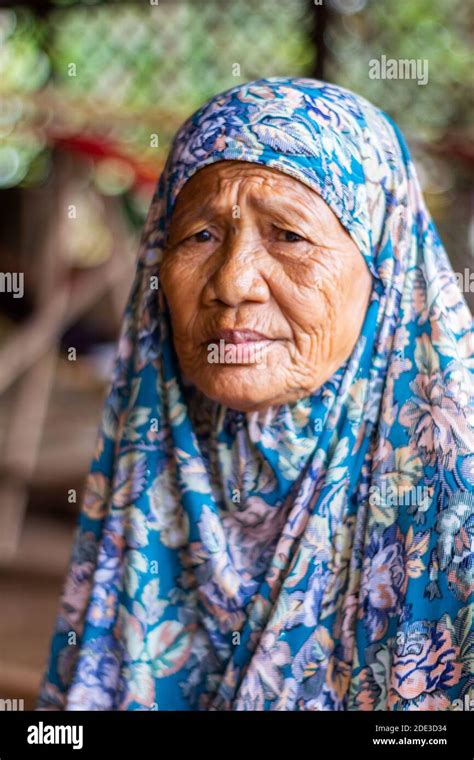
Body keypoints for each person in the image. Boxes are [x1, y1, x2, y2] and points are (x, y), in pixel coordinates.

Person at [38, 77, 473, 711]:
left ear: (384, 268)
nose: (234, 283)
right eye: (201, 236)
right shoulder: (156, 462)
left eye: (289, 236)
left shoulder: (457, 511)